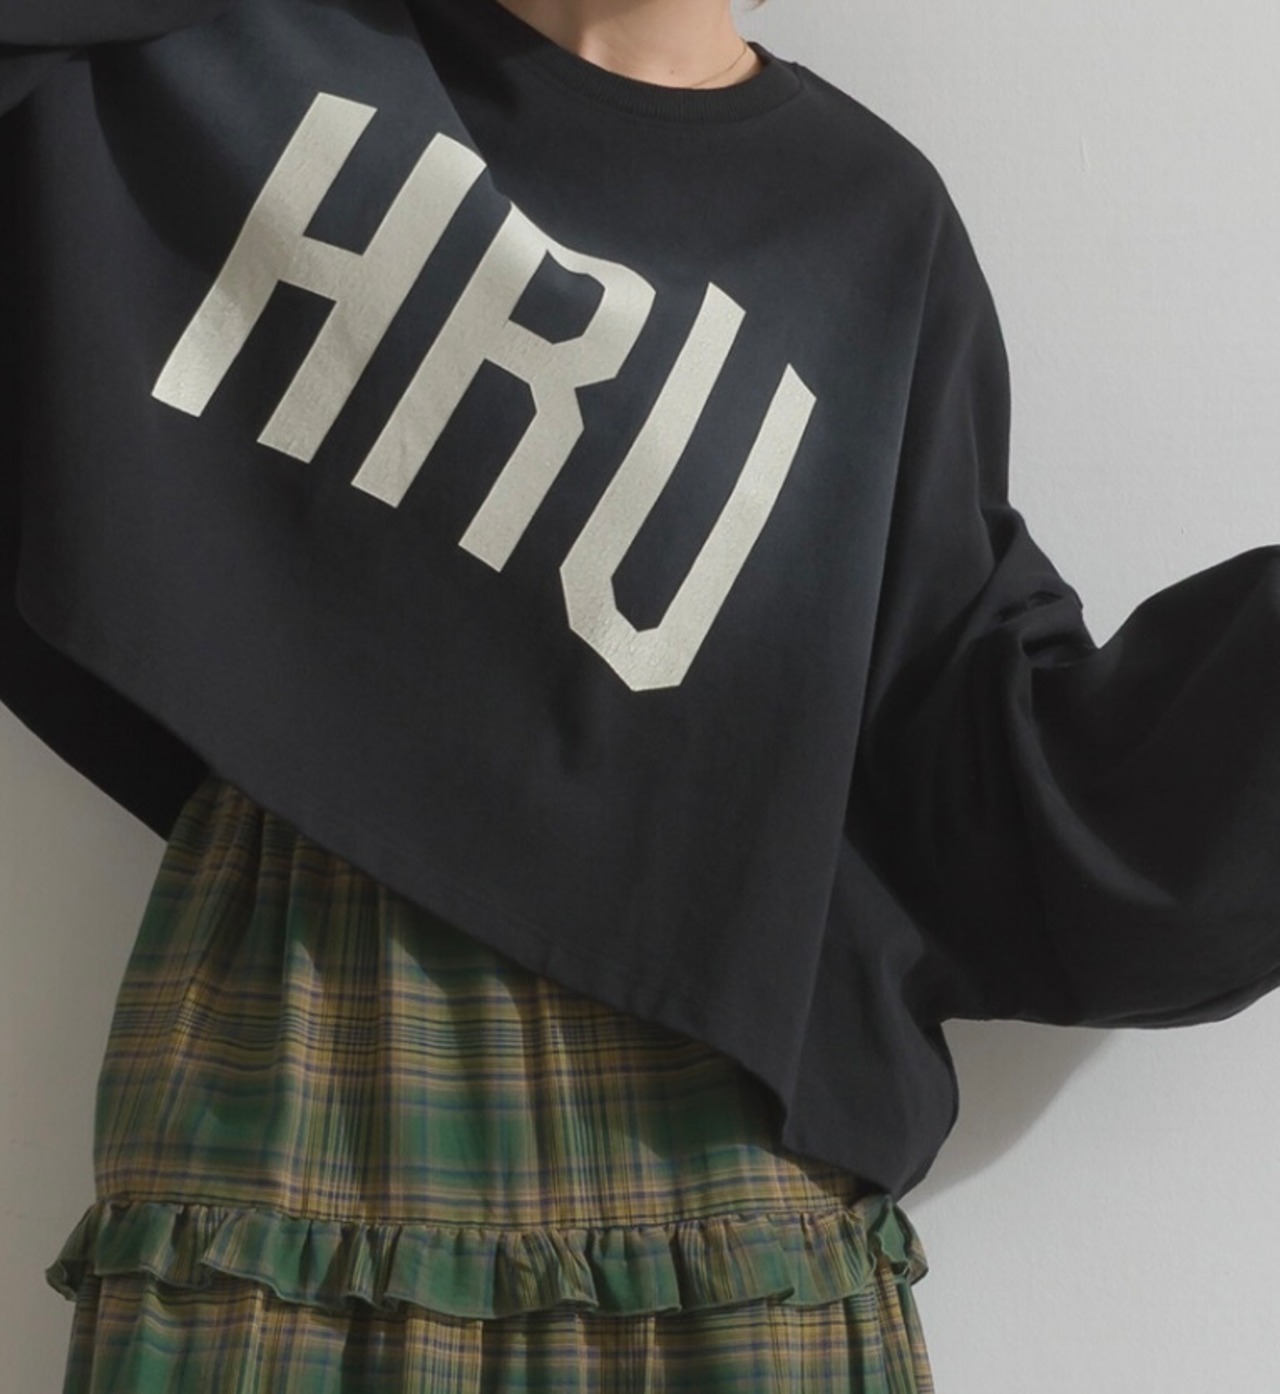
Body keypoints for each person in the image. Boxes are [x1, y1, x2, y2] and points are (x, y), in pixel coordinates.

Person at [5, 0, 1280, 1390]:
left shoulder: (868, 226)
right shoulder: (252, 57)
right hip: (290, 1103)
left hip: (716, 1204)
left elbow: (975, 770)